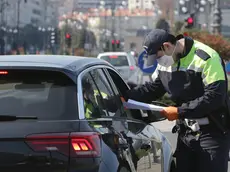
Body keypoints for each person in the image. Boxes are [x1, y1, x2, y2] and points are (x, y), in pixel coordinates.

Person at [125, 29, 230, 172]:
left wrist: (180, 111)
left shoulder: (207, 57)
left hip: (212, 132)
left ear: (167, 46)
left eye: (158, 57)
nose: (158, 61)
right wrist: (126, 96)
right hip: (186, 133)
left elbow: (215, 97)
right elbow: (154, 89)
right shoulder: (167, 61)